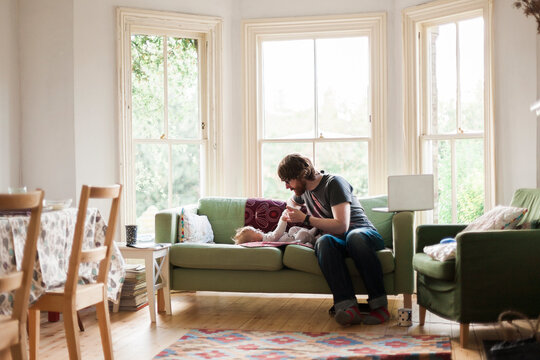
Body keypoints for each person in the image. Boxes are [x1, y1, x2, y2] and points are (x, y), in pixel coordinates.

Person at [277, 153, 389, 326]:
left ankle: (380, 307)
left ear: (300, 175)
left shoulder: (334, 183)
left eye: (287, 180)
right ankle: (348, 307)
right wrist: (290, 211)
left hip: (364, 234)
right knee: (323, 242)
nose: (286, 186)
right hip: (341, 242)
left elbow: (342, 226)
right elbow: (290, 202)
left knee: (354, 237)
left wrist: (305, 218)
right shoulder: (304, 191)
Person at [234, 210, 320, 245]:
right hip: (294, 241)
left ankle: (310, 233)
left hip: (290, 237)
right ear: (254, 241)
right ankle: (315, 239)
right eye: (256, 231)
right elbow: (278, 233)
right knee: (301, 234)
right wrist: (283, 220)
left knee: (292, 229)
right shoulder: (267, 240)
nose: (258, 229)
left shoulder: (265, 237)